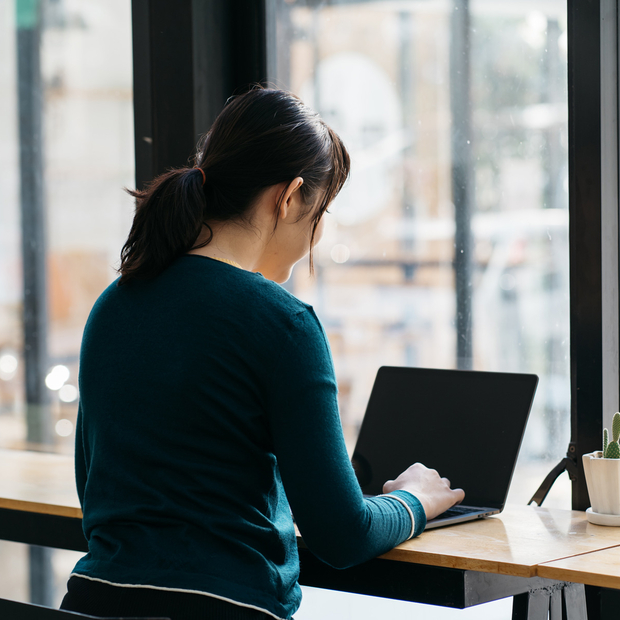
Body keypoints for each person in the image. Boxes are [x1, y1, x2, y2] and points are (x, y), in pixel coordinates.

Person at [60, 87, 464, 620]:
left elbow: (95, 488)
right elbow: (342, 536)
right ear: (291, 196)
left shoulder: (114, 303)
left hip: (91, 603)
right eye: (320, 211)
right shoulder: (283, 323)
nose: (317, 232)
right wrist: (415, 499)